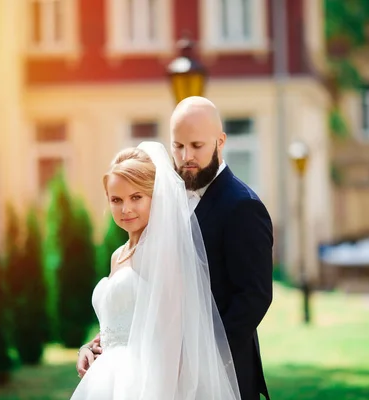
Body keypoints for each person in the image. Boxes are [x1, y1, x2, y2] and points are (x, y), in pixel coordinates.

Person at [77, 96, 273, 400]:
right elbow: (140, 308)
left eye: (196, 146)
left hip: (221, 369)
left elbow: (253, 297)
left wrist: (200, 362)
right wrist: (99, 345)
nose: (186, 157)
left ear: (220, 141)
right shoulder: (168, 195)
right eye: (178, 146)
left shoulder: (241, 205)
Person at [70, 142, 241, 399]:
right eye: (116, 200)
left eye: (136, 197)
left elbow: (173, 337)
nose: (125, 209)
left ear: (156, 196)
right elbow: (122, 322)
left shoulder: (163, 254)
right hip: (105, 379)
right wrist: (89, 347)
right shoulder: (118, 255)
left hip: (143, 380)